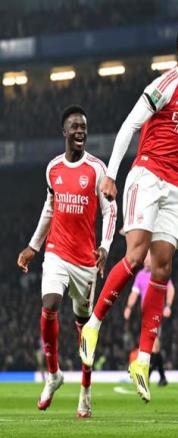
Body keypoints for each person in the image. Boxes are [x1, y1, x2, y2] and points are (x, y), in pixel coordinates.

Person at [78, 24, 178, 403]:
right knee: (136, 255)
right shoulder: (165, 83)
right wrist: (110, 174)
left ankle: (143, 359)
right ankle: (93, 325)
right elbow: (130, 124)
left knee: (163, 268)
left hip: (172, 185)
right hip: (146, 175)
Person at [17, 105, 117, 418]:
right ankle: (54, 374)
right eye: (75, 127)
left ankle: (85, 390)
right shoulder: (53, 169)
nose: (80, 132)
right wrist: (33, 246)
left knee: (84, 329)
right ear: (64, 131)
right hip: (56, 252)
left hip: (86, 262)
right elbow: (50, 209)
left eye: (83, 127)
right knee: (49, 306)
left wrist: (105, 247)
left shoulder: (97, 169)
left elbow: (110, 211)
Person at [124, 251, 175, 386]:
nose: (145, 262)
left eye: (148, 259)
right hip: (145, 315)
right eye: (144, 259)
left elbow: (170, 289)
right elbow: (134, 293)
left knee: (154, 345)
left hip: (157, 314)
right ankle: (161, 377)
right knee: (155, 346)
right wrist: (128, 307)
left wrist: (168, 306)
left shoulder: (159, 272)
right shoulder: (140, 275)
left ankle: (148, 374)